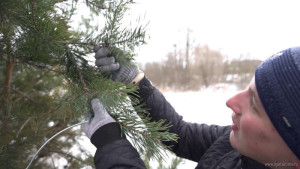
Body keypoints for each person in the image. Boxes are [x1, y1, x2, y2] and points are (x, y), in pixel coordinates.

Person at [83, 46, 300, 169]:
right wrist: (136, 82)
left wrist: (110, 143)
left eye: (254, 104)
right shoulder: (234, 143)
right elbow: (181, 135)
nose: (231, 102)